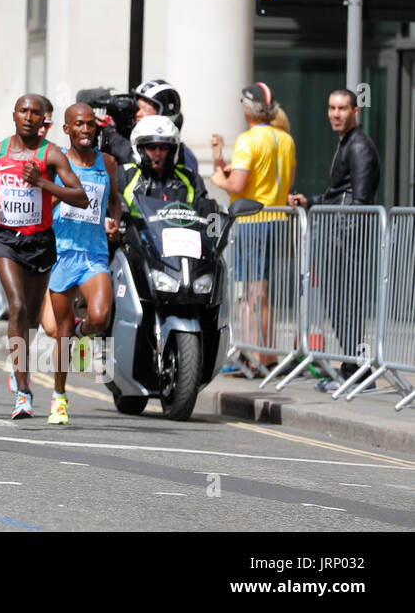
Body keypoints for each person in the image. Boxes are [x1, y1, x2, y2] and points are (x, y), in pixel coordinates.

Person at [0, 94, 88, 420]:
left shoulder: (52, 154)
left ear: (42, 119)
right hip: (6, 239)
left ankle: (19, 365)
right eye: (24, 111)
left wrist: (44, 183)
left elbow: (80, 197)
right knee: (17, 307)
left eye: (36, 113)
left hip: (40, 242)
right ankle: (23, 392)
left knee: (32, 320)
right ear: (14, 115)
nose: (29, 117)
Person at [288, 88, 380, 390]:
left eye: (342, 108)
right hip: (339, 235)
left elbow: (361, 200)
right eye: (331, 108)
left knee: (347, 305)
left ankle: (358, 371)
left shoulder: (360, 146)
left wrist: (345, 241)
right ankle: (351, 368)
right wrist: (310, 201)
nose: (335, 114)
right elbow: (340, 192)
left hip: (347, 240)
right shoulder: (348, 143)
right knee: (339, 305)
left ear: (356, 112)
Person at [40, 103, 121, 424]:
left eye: (90, 125)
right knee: (54, 331)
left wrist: (113, 219)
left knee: (100, 317)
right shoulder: (55, 160)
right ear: (67, 129)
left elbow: (114, 199)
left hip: (93, 254)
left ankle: (81, 331)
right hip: (60, 253)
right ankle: (59, 396)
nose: (85, 130)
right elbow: (39, 198)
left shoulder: (108, 163)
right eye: (79, 125)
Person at [210, 82, 296, 370]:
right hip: (278, 218)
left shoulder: (249, 140)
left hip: (253, 220)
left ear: (247, 109)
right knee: (262, 293)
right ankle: (266, 356)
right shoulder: (285, 139)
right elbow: (288, 181)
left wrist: (218, 180)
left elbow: (236, 184)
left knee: (251, 293)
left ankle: (253, 356)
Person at [133, 80, 198, 174]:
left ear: (164, 113)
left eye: (145, 109)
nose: (138, 114)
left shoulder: (184, 156)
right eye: (138, 108)